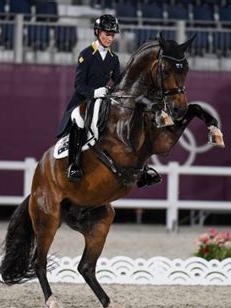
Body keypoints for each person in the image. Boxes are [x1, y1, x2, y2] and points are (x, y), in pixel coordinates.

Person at [56, 14, 161, 187]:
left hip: (103, 99)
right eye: (106, 34)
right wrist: (95, 92)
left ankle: (142, 169)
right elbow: (79, 85)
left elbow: (120, 83)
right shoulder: (86, 55)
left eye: (112, 35)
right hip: (83, 99)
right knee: (79, 119)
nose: (109, 38)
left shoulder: (113, 58)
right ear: (97, 33)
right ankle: (73, 165)